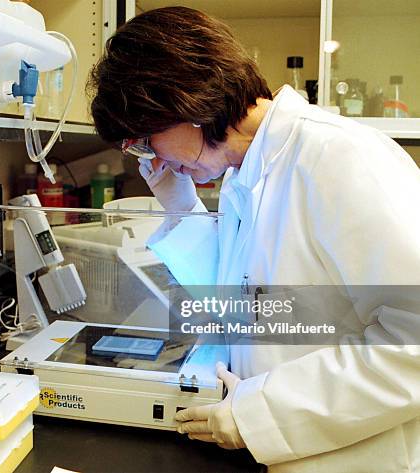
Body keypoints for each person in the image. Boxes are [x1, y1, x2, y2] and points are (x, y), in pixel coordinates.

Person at [87, 6, 420, 473]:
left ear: (184, 101)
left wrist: (259, 415)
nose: (149, 157)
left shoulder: (339, 158)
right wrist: (181, 205)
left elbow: (414, 341)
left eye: (144, 139)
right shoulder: (251, 173)